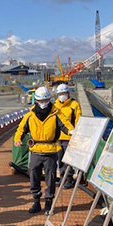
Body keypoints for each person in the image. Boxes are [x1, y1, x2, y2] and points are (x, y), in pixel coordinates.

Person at [14, 86, 74, 215]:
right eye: (40, 101)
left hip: (51, 151)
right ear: (36, 101)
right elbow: (21, 128)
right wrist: (18, 139)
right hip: (35, 150)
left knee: (50, 178)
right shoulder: (30, 115)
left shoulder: (56, 113)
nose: (43, 104)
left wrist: (72, 131)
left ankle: (48, 202)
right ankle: (36, 201)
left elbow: (65, 124)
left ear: (49, 100)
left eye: (45, 101)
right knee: (34, 177)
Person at [54, 83, 82, 189]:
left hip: (69, 138)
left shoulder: (74, 105)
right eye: (60, 94)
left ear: (68, 93)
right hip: (58, 138)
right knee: (60, 159)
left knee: (68, 160)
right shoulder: (55, 105)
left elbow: (78, 120)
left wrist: (76, 134)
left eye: (64, 93)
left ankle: (69, 179)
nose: (62, 95)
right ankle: (62, 179)